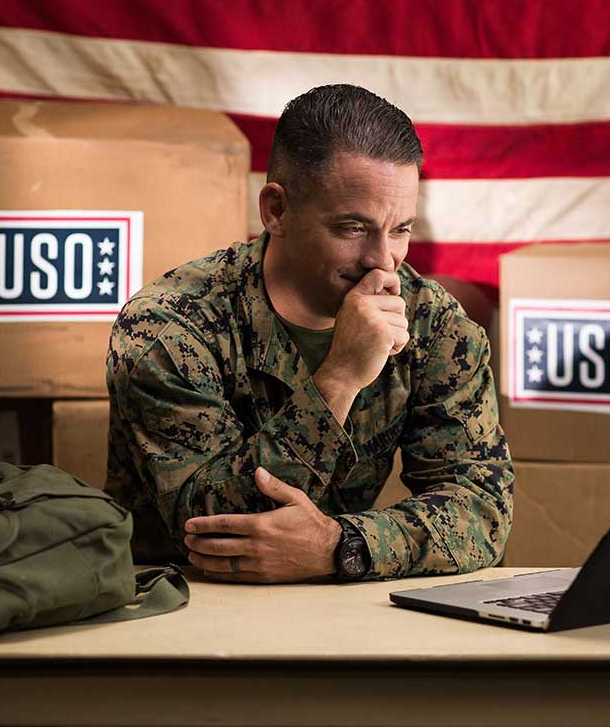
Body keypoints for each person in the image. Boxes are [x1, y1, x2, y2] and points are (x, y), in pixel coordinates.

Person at [105, 84, 513, 582]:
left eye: (401, 229)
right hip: (182, 600)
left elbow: (483, 509)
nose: (383, 261)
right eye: (353, 228)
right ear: (276, 211)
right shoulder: (170, 326)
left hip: (348, 606)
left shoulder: (434, 324)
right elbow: (212, 526)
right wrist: (339, 379)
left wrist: (341, 547)